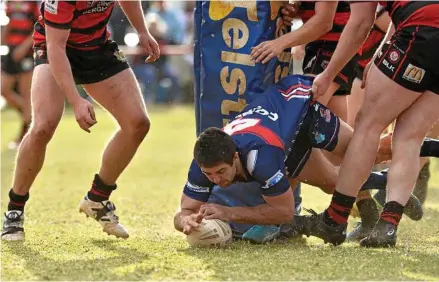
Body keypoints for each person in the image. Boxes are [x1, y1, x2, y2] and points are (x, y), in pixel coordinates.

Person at [173, 74, 439, 239]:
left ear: (234, 157)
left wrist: (228, 213)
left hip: (303, 113)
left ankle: (421, 144)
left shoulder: (261, 158)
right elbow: (183, 210)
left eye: (221, 172)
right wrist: (184, 220)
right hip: (282, 134)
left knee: (370, 150)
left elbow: (284, 212)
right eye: (210, 175)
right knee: (334, 182)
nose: (216, 180)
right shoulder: (204, 164)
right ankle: (386, 180)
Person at [1, 0, 160, 241]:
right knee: (43, 126)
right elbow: (56, 48)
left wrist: (142, 30)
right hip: (54, 48)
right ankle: (15, 210)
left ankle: (97, 198)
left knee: (137, 123)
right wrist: (76, 100)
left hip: (96, 46)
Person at [301, 1, 439, 248]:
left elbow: (361, 22)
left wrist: (329, 73)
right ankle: (388, 225)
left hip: (422, 29)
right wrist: (382, 50)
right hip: (422, 27)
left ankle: (335, 218)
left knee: (368, 125)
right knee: (409, 136)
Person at [1, 0, 40, 149]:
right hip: (11, 50)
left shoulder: (32, 3)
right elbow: (11, 22)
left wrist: (24, 48)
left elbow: (38, 26)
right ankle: (28, 116)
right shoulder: (9, 2)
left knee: (26, 94)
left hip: (27, 53)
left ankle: (24, 137)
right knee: (3, 90)